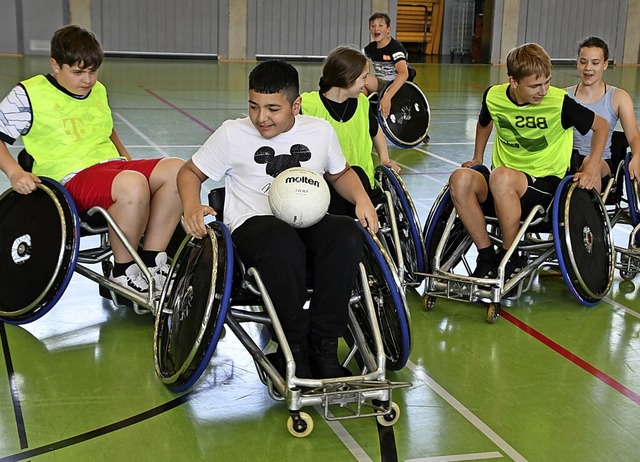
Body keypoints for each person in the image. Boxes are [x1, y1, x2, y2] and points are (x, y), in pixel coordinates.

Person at [177, 59, 378, 379]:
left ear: (296, 105)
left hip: (309, 219)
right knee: (281, 241)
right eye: (254, 106)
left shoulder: (319, 131)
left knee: (346, 233)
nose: (261, 118)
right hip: (254, 224)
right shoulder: (232, 133)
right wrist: (191, 205)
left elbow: (340, 174)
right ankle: (292, 347)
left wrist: (362, 200)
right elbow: (190, 171)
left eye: (272, 108)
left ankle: (324, 344)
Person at [0, 25, 184, 295]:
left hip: (110, 168)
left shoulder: (98, 90)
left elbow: (107, 128)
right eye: (77, 72)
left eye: (92, 71)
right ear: (55, 65)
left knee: (178, 169)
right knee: (132, 184)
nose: (87, 79)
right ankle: (123, 273)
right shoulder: (28, 94)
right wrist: (15, 172)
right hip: (68, 178)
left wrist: (126, 158)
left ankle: (152, 262)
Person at [449, 43, 609, 280]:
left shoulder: (558, 102)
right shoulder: (494, 96)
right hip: (501, 182)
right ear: (513, 82)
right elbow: (484, 122)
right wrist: (477, 157)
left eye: (547, 82)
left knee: (501, 177)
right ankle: (486, 255)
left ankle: (510, 255)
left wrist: (593, 167)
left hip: (544, 185)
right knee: (460, 179)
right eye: (535, 85)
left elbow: (602, 126)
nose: (543, 90)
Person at [301, 45, 400, 217]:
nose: (367, 82)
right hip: (324, 187)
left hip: (362, 186)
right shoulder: (307, 105)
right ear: (348, 79)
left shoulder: (362, 102)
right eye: (363, 77)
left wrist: (384, 158)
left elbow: (375, 130)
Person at [567, 36, 640, 190]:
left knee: (590, 162)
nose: (588, 68)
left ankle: (591, 212)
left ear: (605, 65)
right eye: (583, 61)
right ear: (577, 63)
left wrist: (637, 156)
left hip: (602, 163)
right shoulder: (563, 96)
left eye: (595, 63)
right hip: (567, 161)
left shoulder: (618, 97)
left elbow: (634, 136)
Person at [363, 11, 415, 119]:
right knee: (360, 86)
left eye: (380, 25)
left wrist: (387, 97)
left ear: (388, 29)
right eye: (373, 26)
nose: (376, 28)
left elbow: (403, 74)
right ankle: (362, 117)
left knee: (363, 80)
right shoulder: (370, 48)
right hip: (381, 83)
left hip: (396, 85)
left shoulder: (395, 48)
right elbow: (357, 61)